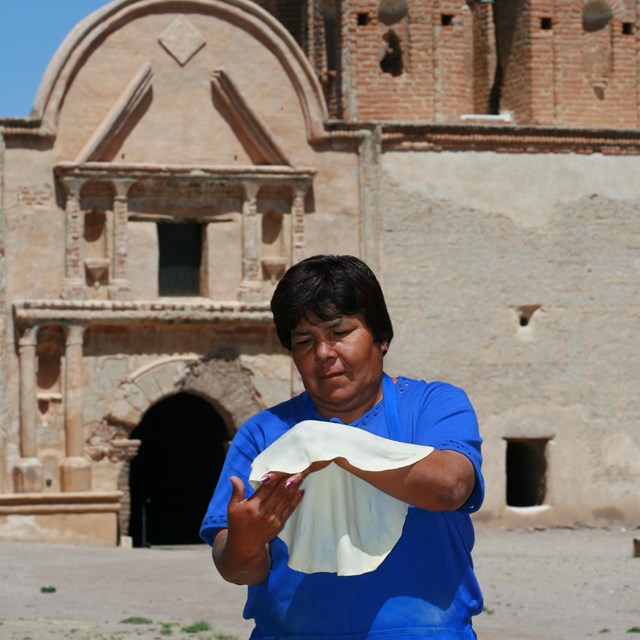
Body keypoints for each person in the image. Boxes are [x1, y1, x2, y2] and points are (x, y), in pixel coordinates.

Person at [200, 254, 484, 639]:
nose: (323, 353)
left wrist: (331, 441)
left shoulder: (433, 406)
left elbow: (452, 487)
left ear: (381, 337)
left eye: (340, 332)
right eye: (305, 341)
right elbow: (237, 569)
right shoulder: (263, 433)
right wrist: (246, 540)